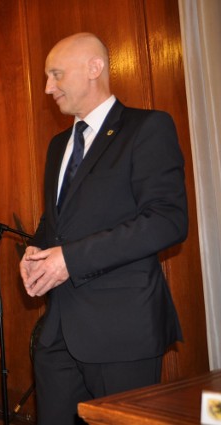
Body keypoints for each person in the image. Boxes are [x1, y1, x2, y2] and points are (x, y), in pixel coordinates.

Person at [19, 33, 187, 425]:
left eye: (56, 74)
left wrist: (70, 261)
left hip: (123, 331)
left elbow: (168, 220)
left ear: (95, 68)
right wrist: (35, 252)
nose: (48, 88)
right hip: (57, 333)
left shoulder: (148, 127)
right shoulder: (58, 145)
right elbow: (56, 223)